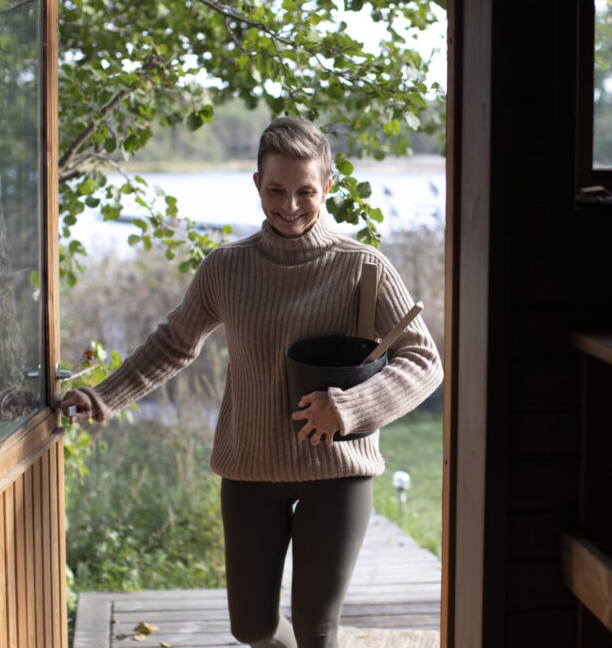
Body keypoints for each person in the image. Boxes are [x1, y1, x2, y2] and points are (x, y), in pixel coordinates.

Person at [60, 116, 443, 648]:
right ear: (257, 185)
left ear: (327, 185)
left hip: (337, 471)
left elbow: (424, 361)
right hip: (250, 467)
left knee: (316, 627)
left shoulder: (363, 266)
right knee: (253, 627)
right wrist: (102, 395)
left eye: (305, 191)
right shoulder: (226, 268)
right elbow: (173, 344)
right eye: (276, 190)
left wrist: (351, 407)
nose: (290, 206)